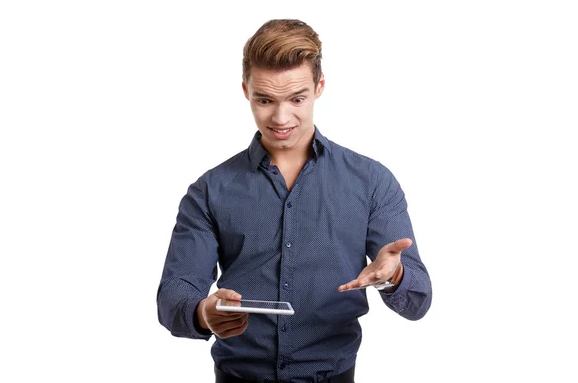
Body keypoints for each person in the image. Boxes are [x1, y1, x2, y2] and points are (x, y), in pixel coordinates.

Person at [157, 19, 432, 383]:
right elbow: (175, 293)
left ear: (319, 87)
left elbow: (419, 300)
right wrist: (202, 313)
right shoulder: (209, 190)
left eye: (297, 99)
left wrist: (393, 276)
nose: (281, 118)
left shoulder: (372, 182)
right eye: (265, 100)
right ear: (246, 91)